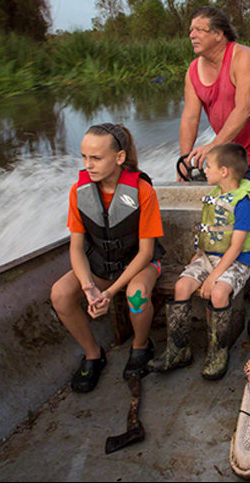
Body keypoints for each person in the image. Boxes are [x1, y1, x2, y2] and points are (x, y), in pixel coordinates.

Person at [50, 123, 165, 393]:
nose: (88, 165)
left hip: (140, 264)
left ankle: (140, 346)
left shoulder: (143, 192)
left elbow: (146, 252)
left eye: (96, 158)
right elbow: (77, 248)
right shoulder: (78, 192)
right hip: (101, 264)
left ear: (119, 157)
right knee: (59, 294)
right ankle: (93, 354)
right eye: (84, 157)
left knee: (136, 296)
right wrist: (89, 287)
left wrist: (110, 292)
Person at [150, 143, 250, 380]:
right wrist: (198, 255)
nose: (204, 170)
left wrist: (214, 276)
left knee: (218, 294)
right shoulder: (215, 196)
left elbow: (236, 247)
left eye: (208, 166)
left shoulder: (244, 203)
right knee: (181, 286)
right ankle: (179, 349)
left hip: (237, 260)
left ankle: (218, 351)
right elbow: (209, 231)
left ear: (224, 171)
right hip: (209, 257)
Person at [179, 6, 250, 243]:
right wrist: (184, 160)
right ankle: (228, 247)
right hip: (229, 143)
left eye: (200, 30)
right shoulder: (192, 70)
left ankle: (248, 254)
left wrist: (213, 146)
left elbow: (244, 109)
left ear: (219, 34)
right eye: (191, 30)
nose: (192, 35)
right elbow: (190, 116)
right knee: (228, 194)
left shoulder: (244, 58)